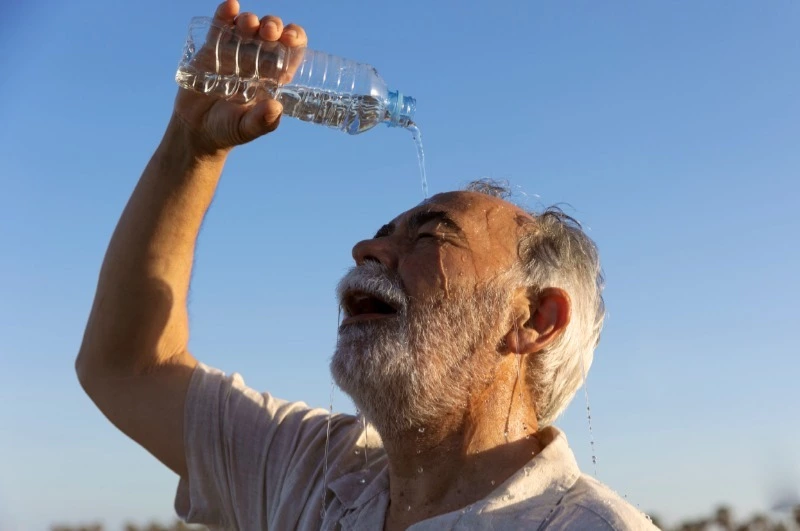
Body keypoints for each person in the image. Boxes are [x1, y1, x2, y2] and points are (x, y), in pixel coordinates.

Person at [76, 1, 657, 529]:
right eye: (381, 235)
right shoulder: (314, 471)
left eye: (431, 236)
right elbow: (128, 367)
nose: (364, 250)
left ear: (534, 319)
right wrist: (192, 146)